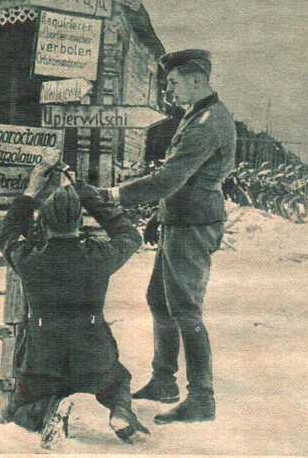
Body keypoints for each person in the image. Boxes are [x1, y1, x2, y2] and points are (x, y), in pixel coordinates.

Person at [100, 49, 236, 424]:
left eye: (174, 83)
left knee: (186, 308)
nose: (169, 89)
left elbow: (169, 179)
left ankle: (202, 398)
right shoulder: (196, 115)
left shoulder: (208, 122)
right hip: (179, 219)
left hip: (193, 225)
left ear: (196, 79)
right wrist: (160, 218)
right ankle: (163, 381)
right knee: (159, 300)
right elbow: (182, 179)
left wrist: (113, 195)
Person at [0, 161, 149, 445]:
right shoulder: (99, 256)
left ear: (44, 224)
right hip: (93, 357)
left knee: (21, 406)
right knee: (118, 381)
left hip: (42, 359)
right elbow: (130, 235)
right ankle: (120, 411)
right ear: (79, 222)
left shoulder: (30, 259)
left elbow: (8, 235)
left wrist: (30, 190)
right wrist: (84, 193)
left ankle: (47, 409)